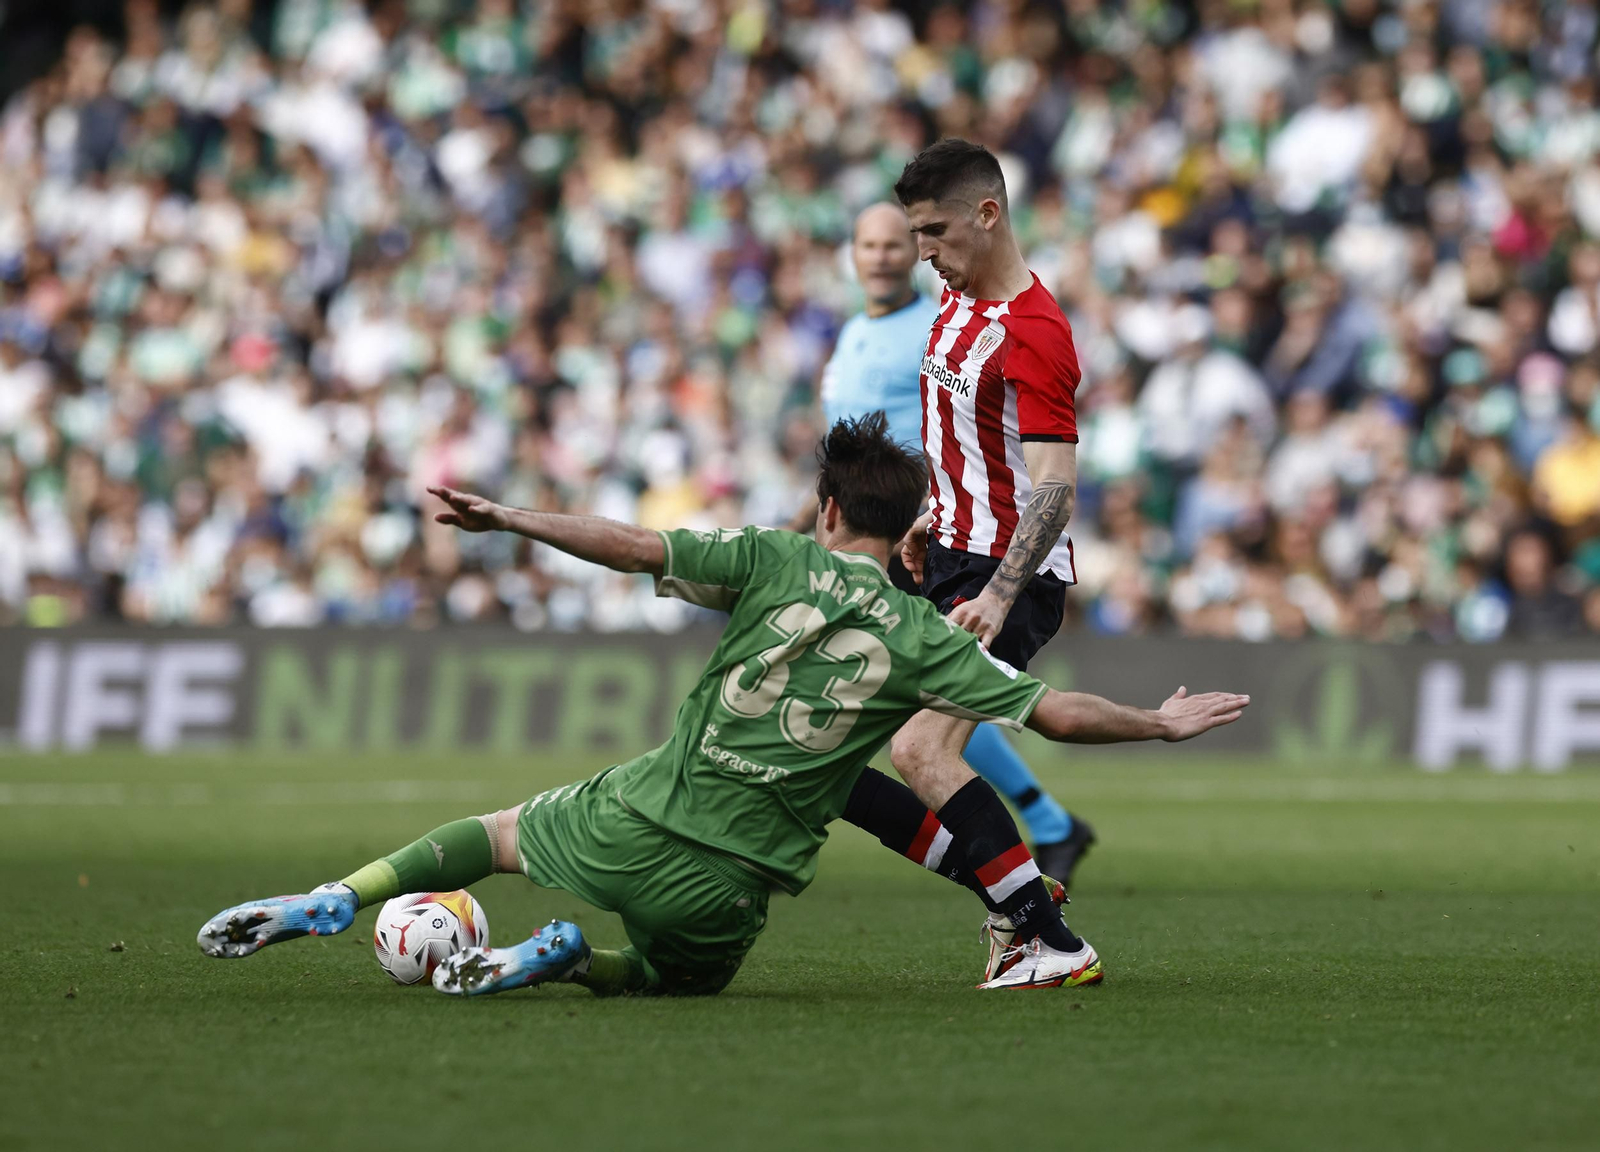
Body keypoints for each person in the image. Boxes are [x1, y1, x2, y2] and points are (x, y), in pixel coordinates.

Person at [197, 416, 1249, 994]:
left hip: (638, 816)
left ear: (827, 509)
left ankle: (343, 892)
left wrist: (511, 518)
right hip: (733, 887)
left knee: (498, 831)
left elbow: (634, 543)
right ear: (907, 532)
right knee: (671, 978)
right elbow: (1054, 712)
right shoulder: (929, 637)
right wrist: (1157, 722)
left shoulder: (771, 557)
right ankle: (573, 963)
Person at [833, 139, 1109, 973]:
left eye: (936, 232)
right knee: (834, 750)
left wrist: (996, 590)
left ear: (988, 215)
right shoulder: (952, 299)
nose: (926, 253)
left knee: (921, 750)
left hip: (1005, 579)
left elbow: (1055, 486)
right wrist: (932, 513)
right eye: (916, 235)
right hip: (947, 549)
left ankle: (1048, 939)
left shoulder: (1035, 332)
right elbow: (968, 441)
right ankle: (1016, 894)